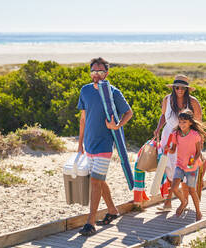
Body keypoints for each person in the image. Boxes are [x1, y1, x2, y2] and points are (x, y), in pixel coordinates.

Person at [77, 57, 133, 237]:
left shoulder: (113, 92)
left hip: (104, 145)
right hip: (89, 144)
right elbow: (83, 118)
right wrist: (80, 144)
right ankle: (112, 210)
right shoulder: (85, 90)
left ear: (107, 73)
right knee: (99, 180)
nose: (97, 75)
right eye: (94, 71)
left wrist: (117, 126)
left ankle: (90, 222)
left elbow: (128, 112)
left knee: (95, 181)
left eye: (101, 71)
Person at [153, 74, 203, 210]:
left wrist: (200, 147)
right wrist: (158, 129)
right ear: (173, 88)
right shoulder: (167, 99)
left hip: (185, 140)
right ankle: (170, 201)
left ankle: (175, 201)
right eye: (177, 87)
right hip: (168, 137)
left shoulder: (193, 102)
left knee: (182, 170)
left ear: (186, 89)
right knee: (167, 168)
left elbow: (199, 124)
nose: (180, 90)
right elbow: (163, 116)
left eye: (183, 87)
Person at [166, 109, 206, 221]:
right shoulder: (176, 134)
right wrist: (168, 149)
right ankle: (183, 202)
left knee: (192, 190)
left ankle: (198, 212)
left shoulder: (195, 135)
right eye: (180, 122)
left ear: (190, 122)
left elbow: (198, 152)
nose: (181, 125)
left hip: (192, 167)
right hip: (180, 165)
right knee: (174, 188)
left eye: (184, 122)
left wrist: (192, 162)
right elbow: (173, 150)